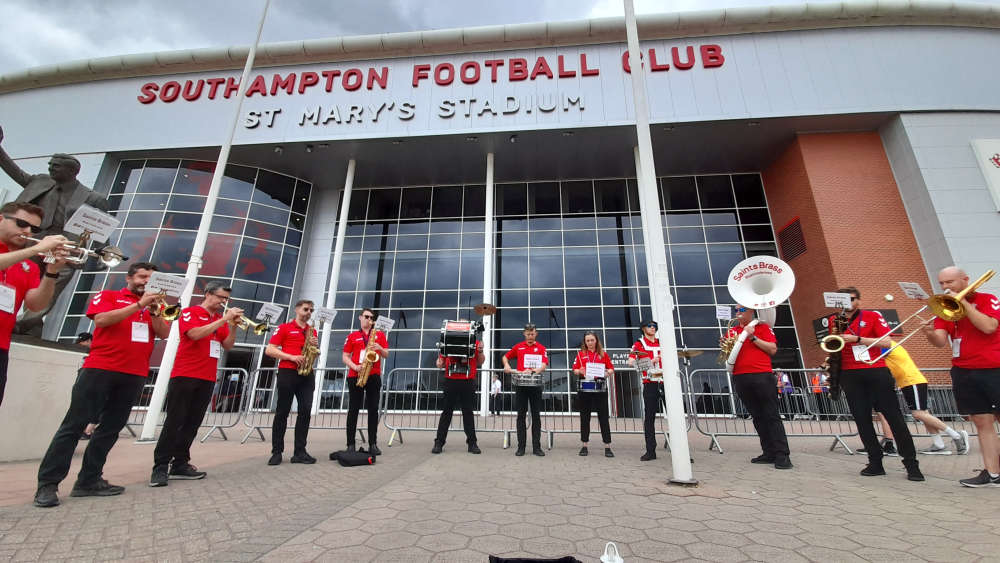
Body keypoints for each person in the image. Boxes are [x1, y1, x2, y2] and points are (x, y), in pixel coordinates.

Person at [34, 262, 171, 508]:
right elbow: (101, 320)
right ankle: (48, 484)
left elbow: (164, 333)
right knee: (73, 426)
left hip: (134, 374)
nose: (145, 282)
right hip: (100, 369)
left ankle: (88, 480)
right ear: (130, 278)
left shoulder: (155, 306)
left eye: (151, 279)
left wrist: (153, 311)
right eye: (142, 277)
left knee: (109, 429)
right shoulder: (108, 296)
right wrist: (138, 305)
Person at [0, 125, 111, 338]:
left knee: (54, 284)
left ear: (72, 171)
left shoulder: (92, 197)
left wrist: (102, 251)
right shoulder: (40, 181)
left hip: (65, 247)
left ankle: (22, 324)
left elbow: (101, 226)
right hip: (33, 241)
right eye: (51, 164)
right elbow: (12, 169)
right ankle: (28, 323)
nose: (51, 168)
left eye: (56, 166)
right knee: (22, 281)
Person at [150, 282, 240, 486]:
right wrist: (224, 319)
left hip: (207, 377)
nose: (223, 302)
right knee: (174, 422)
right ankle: (160, 467)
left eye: (226, 299)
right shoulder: (191, 312)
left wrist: (232, 326)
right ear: (208, 294)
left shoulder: (220, 319)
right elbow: (194, 334)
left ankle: (180, 463)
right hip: (185, 374)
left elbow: (227, 345)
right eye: (220, 297)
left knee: (192, 423)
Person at [831, 286, 923, 481]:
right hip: (849, 374)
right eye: (844, 300)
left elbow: (886, 342)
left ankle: (911, 464)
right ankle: (875, 462)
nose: (848, 303)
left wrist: (857, 338)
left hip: (875, 371)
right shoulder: (834, 320)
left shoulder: (872, 316)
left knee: (894, 418)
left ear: (859, 301)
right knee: (862, 420)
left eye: (852, 299)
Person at [924, 266, 1000, 487]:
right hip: (964, 370)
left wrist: (963, 303)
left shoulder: (987, 299)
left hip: (993, 367)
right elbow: (939, 341)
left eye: (950, 282)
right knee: (981, 421)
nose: (946, 287)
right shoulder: (944, 308)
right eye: (942, 284)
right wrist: (928, 333)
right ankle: (992, 473)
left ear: (965, 280)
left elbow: (989, 327)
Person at [0, 202, 70, 407]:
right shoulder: (26, 256)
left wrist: (52, 271)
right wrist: (37, 249)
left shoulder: (28, 267)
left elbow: (36, 304)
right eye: (22, 223)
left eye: (35, 229)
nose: (28, 231)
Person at [725, 306, 792, 469]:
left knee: (771, 415)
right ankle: (768, 452)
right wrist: (725, 345)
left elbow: (772, 349)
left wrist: (752, 336)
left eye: (741, 309)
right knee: (757, 416)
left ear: (751, 311)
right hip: (740, 376)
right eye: (735, 310)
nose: (737, 312)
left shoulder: (762, 327)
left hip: (761, 375)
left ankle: (782, 455)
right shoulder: (732, 331)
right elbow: (728, 355)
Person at [883, 341, 970, 456]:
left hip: (911, 381)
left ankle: (956, 435)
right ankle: (938, 444)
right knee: (924, 414)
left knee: (918, 414)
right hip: (909, 382)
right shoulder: (885, 345)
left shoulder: (885, 344)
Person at [266, 300, 320, 465]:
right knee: (282, 412)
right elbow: (270, 349)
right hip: (288, 372)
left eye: (311, 310)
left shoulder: (312, 331)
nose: (308, 312)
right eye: (305, 309)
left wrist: (315, 349)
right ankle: (276, 452)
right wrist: (291, 357)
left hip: (306, 374)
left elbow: (314, 353)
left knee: (305, 412)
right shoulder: (284, 328)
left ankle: (300, 452)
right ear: (297, 309)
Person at [342, 308, 389, 455]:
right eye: (366, 317)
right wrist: (355, 366)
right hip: (355, 374)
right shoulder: (352, 336)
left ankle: (373, 444)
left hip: (373, 375)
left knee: (373, 410)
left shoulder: (379, 335)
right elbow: (345, 356)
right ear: (360, 317)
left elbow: (386, 354)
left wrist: (380, 348)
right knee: (353, 410)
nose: (369, 319)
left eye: (371, 318)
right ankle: (350, 444)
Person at [431, 329, 485, 454]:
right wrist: (439, 363)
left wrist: (481, 350)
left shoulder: (475, 343)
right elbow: (440, 363)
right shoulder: (448, 341)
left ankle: (472, 443)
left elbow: (481, 361)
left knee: (468, 413)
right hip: (451, 379)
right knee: (446, 412)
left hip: (468, 380)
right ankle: (439, 442)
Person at [502, 323, 548, 457]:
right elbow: (505, 357)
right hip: (521, 384)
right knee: (520, 416)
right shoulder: (518, 346)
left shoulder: (541, 348)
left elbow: (544, 364)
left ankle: (536, 447)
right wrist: (506, 365)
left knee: (536, 416)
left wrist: (535, 370)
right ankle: (521, 447)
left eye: (532, 334)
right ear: (524, 334)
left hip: (535, 385)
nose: (530, 336)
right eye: (528, 334)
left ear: (536, 333)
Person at [572, 331, 615, 458]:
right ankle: (584, 445)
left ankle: (607, 446)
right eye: (588, 341)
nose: (590, 342)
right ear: (585, 342)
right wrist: (579, 371)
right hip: (585, 388)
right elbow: (574, 369)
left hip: (600, 388)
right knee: (585, 418)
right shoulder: (580, 355)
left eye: (592, 340)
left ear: (596, 340)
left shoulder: (603, 354)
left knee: (603, 418)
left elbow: (611, 368)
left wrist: (608, 373)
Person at [627, 319, 664, 461]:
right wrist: (651, 361)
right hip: (650, 383)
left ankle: (682, 451)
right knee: (649, 418)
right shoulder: (639, 344)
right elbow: (631, 363)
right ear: (643, 328)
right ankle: (651, 451)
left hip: (666, 383)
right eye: (650, 326)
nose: (653, 328)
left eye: (655, 326)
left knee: (675, 418)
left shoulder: (662, 342)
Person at [74, 332, 99, 440]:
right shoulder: (85, 352)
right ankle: (86, 429)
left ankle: (87, 431)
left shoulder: (96, 351)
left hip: (94, 380)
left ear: (89, 341)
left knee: (95, 407)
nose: (80, 345)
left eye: (82, 342)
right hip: (85, 379)